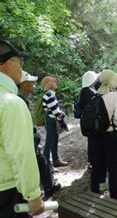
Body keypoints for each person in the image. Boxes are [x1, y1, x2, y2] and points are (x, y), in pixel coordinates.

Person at [0, 39, 44, 217]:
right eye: (20, 62)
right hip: (7, 191)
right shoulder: (11, 103)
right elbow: (20, 153)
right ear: (7, 65)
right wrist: (32, 194)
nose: (21, 68)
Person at [17, 70, 61, 198]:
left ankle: (48, 186)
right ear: (23, 85)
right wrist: (33, 136)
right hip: (27, 138)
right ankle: (44, 189)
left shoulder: (21, 98)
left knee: (41, 160)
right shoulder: (19, 100)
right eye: (31, 82)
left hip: (29, 137)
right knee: (41, 159)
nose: (34, 85)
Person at [91, 69, 117, 200]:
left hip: (96, 136)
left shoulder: (96, 96)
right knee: (113, 166)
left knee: (97, 165)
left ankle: (94, 193)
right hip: (110, 135)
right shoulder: (115, 96)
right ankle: (114, 197)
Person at [41, 76, 68, 171]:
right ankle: (46, 164)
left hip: (53, 120)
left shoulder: (51, 94)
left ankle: (56, 160)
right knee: (49, 142)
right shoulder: (48, 95)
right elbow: (56, 111)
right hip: (51, 121)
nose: (56, 83)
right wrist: (62, 116)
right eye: (53, 82)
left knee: (55, 141)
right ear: (48, 84)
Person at [80, 71, 99, 169]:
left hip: (92, 119)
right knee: (92, 141)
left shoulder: (91, 90)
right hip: (90, 121)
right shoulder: (87, 92)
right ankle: (91, 161)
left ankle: (93, 160)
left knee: (93, 141)